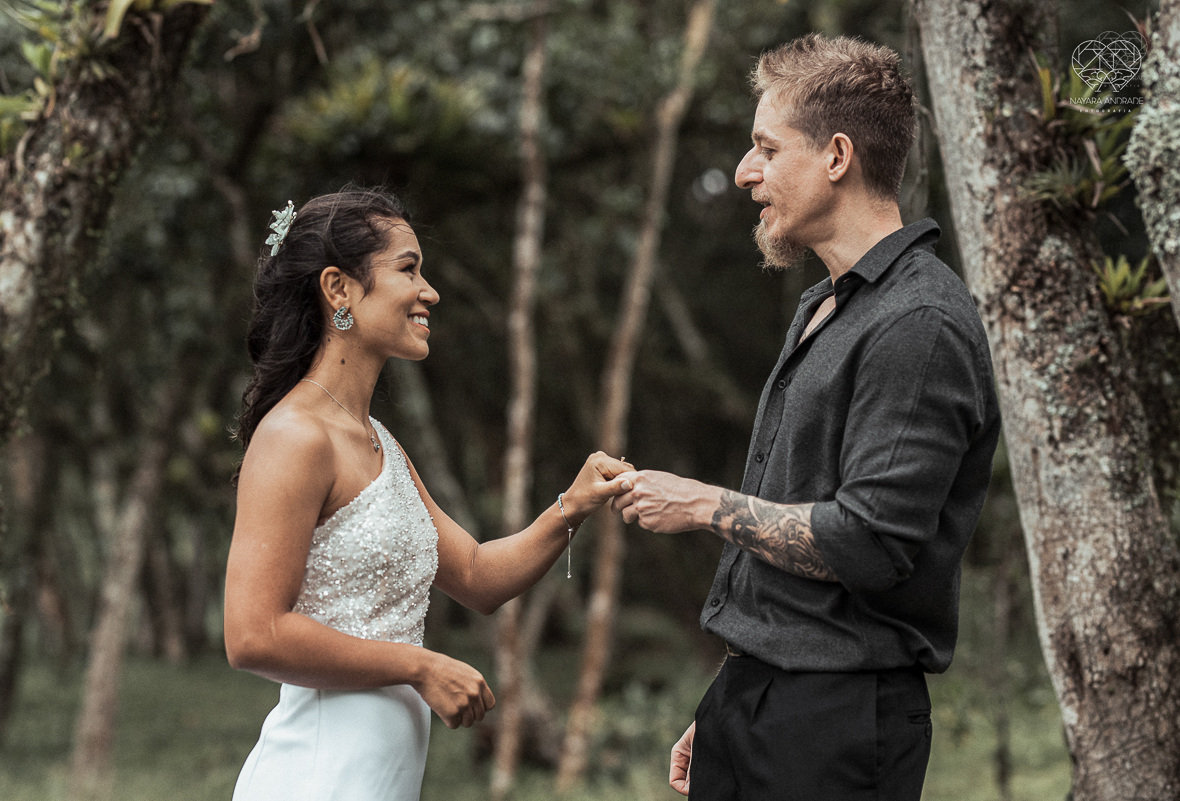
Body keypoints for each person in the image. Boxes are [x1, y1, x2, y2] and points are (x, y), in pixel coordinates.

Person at [612, 34, 1001, 800]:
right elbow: (796, 524)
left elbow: (871, 542)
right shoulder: (824, 304)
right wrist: (735, 693)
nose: (744, 171)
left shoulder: (919, 321)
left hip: (840, 725)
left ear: (836, 156)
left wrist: (704, 505)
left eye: (765, 147)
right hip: (761, 704)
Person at [224, 186, 631, 801]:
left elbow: (475, 574)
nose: (430, 291)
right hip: (316, 775)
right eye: (408, 269)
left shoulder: (378, 440)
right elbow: (253, 634)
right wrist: (419, 665)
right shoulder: (294, 436)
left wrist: (572, 506)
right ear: (338, 289)